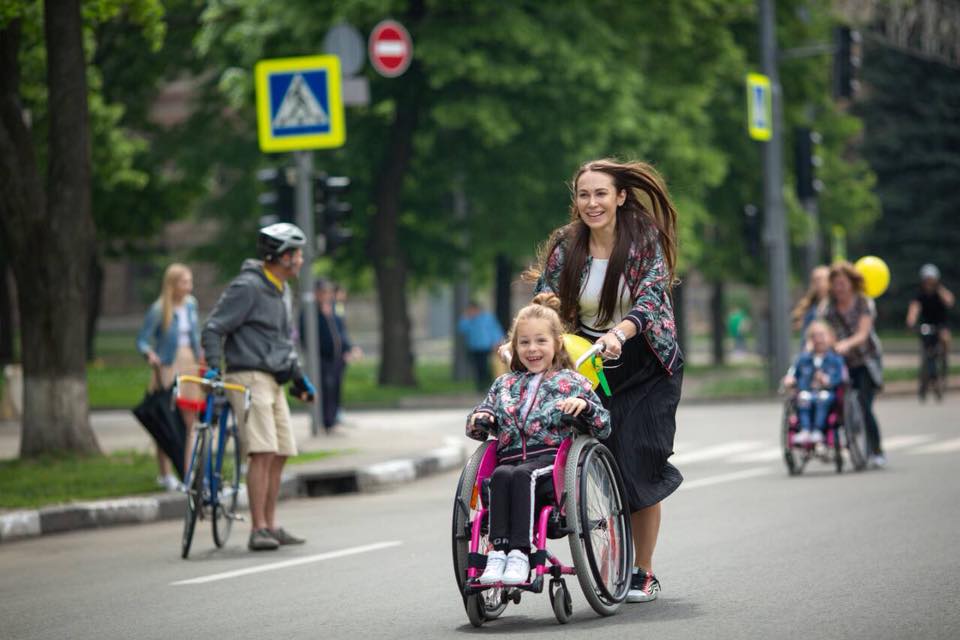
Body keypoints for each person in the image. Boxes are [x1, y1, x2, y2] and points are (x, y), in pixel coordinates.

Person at [527, 158, 684, 602]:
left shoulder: (641, 239)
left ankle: (643, 571)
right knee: (589, 448)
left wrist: (621, 331)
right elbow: (547, 299)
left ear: (619, 197)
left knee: (639, 464)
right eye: (583, 194)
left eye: (600, 194)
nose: (591, 203)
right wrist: (544, 315)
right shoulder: (566, 244)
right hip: (588, 360)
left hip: (646, 361)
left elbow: (652, 299)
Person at [467, 294, 610, 586]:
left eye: (540, 341)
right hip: (508, 460)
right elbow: (482, 414)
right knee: (500, 475)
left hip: (549, 465)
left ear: (557, 343)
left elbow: (603, 423)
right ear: (514, 348)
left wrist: (583, 407)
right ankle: (497, 553)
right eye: (524, 343)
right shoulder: (504, 384)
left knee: (521, 474)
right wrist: (480, 417)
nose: (532, 349)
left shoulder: (570, 382)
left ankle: (519, 553)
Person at [202, 223, 316, 551]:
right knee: (262, 451)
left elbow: (282, 342)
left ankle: (271, 524)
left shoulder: (282, 289)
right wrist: (212, 365)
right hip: (248, 375)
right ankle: (257, 528)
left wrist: (299, 378)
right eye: (294, 254)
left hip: (274, 378)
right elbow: (213, 327)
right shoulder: (247, 287)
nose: (299, 260)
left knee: (280, 452)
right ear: (277, 256)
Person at [136, 263, 202, 491]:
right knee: (166, 420)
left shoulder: (191, 306)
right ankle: (165, 474)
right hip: (167, 365)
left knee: (190, 420)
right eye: (185, 282)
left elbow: (196, 335)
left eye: (190, 281)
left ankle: (188, 472)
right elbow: (142, 340)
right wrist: (149, 354)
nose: (189, 286)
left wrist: (201, 358)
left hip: (189, 363)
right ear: (172, 285)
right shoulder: (159, 309)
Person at [819, 261, 886, 467]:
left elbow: (863, 333)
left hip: (865, 359)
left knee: (864, 404)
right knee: (831, 400)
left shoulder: (863, 303)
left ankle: (876, 450)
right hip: (840, 361)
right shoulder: (828, 308)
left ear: (851, 283)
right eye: (835, 284)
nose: (839, 288)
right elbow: (823, 330)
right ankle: (831, 442)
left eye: (842, 283)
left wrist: (847, 344)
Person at [301, 279, 361, 433]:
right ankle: (325, 422)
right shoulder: (310, 311)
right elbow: (306, 335)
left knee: (335, 389)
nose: (326, 296)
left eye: (328, 292)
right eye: (323, 293)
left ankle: (333, 420)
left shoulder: (334, 309)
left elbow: (341, 333)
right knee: (325, 388)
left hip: (337, 358)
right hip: (321, 358)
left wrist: (349, 348)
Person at [782, 321, 846, 445]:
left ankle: (818, 429)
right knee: (803, 398)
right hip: (808, 392)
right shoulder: (803, 359)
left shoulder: (835, 359)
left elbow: (840, 378)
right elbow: (793, 372)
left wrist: (828, 380)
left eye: (822, 335)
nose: (818, 339)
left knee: (823, 398)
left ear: (830, 337)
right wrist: (790, 379)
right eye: (814, 336)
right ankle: (805, 429)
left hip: (826, 392)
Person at [458, 301, 506, 392]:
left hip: (486, 347)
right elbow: (462, 329)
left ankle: (488, 384)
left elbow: (495, 329)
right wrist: (465, 318)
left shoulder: (487, 318)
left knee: (486, 367)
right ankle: (480, 386)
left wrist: (497, 341)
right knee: (477, 367)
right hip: (474, 347)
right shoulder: (468, 319)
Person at [906, 263, 954, 352]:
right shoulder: (919, 294)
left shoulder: (941, 292)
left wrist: (939, 289)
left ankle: (944, 359)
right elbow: (913, 309)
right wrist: (910, 322)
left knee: (945, 338)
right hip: (926, 325)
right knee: (926, 345)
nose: (929, 283)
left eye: (931, 280)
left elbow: (949, 302)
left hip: (941, 324)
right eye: (927, 280)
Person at [792, 265, 831, 340]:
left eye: (820, 279)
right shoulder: (807, 303)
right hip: (808, 347)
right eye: (814, 280)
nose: (817, 283)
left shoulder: (835, 303)